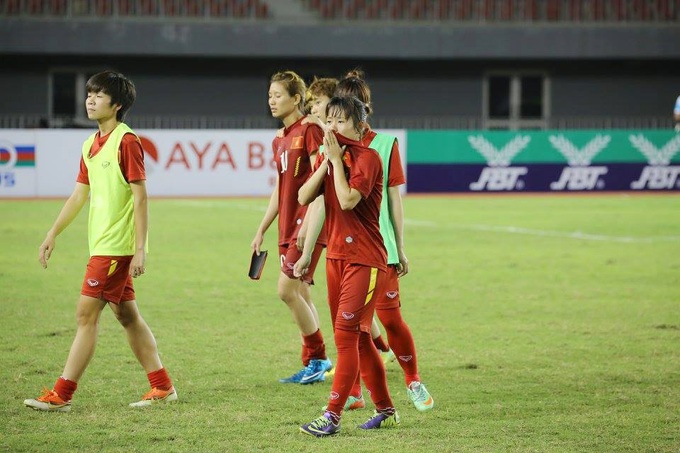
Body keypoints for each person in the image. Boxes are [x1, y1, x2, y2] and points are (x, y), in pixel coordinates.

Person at [24, 71, 176, 412]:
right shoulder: (89, 145)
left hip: (116, 248)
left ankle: (62, 394)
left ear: (117, 104)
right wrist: (53, 233)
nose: (90, 99)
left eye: (99, 94)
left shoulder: (127, 141)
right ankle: (162, 386)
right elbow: (79, 195)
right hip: (103, 245)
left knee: (85, 315)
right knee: (127, 316)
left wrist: (140, 249)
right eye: (89, 93)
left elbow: (141, 198)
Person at [295, 95, 399, 437]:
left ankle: (332, 414)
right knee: (360, 338)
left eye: (340, 121)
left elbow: (346, 200)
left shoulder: (368, 158)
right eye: (329, 120)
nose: (332, 127)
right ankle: (385, 409)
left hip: (366, 260)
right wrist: (327, 163)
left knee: (345, 336)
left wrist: (337, 163)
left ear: (359, 126)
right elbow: (304, 197)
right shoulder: (331, 157)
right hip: (337, 258)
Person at [333, 69, 434, 412]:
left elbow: (394, 199)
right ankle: (357, 393)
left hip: (380, 249)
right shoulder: (333, 147)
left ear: (365, 108)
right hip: (343, 251)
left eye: (355, 103)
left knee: (389, 320)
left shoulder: (384, 145)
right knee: (352, 329)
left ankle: (412, 379)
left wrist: (400, 246)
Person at [251, 70, 332, 384]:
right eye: (269, 95)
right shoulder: (279, 138)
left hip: (305, 225)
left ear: (297, 98)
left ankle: (319, 357)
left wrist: (309, 221)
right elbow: (281, 187)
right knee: (300, 292)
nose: (271, 101)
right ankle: (315, 364)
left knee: (286, 291)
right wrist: (261, 228)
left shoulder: (309, 130)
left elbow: (320, 180)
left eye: (278, 95)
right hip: (287, 223)